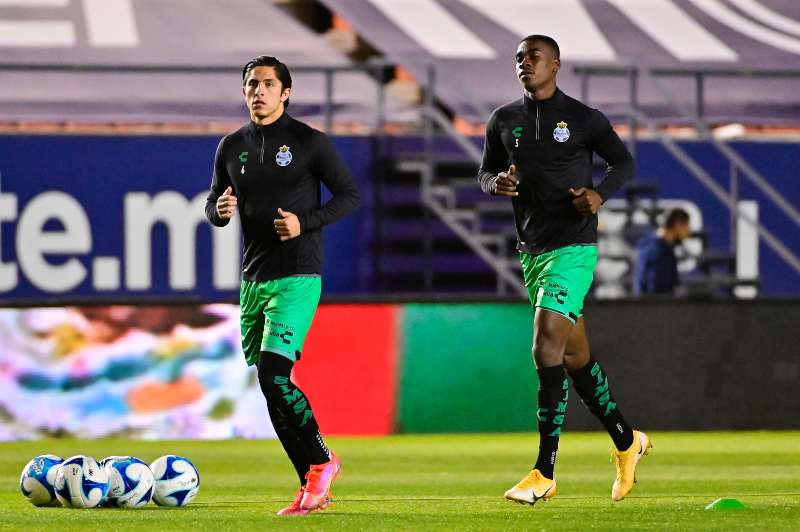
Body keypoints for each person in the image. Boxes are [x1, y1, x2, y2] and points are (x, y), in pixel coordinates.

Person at [477, 35, 650, 505]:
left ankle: (544, 471)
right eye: (518, 58)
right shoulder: (504, 120)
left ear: (555, 64)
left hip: (573, 248)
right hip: (532, 250)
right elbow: (485, 171)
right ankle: (626, 440)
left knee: (544, 343)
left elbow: (623, 163)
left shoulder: (583, 119)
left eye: (533, 57)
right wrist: (497, 182)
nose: (524, 64)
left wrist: (599, 195)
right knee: (574, 357)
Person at [205, 55, 359, 516]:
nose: (258, 91)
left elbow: (349, 195)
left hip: (297, 274)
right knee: (271, 384)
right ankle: (311, 483)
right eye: (252, 84)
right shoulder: (231, 146)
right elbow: (214, 200)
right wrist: (219, 211)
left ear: (285, 92)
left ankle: (321, 461)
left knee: (274, 374)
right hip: (253, 278)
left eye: (268, 84)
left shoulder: (310, 143)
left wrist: (306, 222)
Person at [633, 208, 691, 295]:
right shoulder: (656, 248)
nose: (689, 231)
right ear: (678, 224)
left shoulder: (663, 247)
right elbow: (646, 282)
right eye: (687, 225)